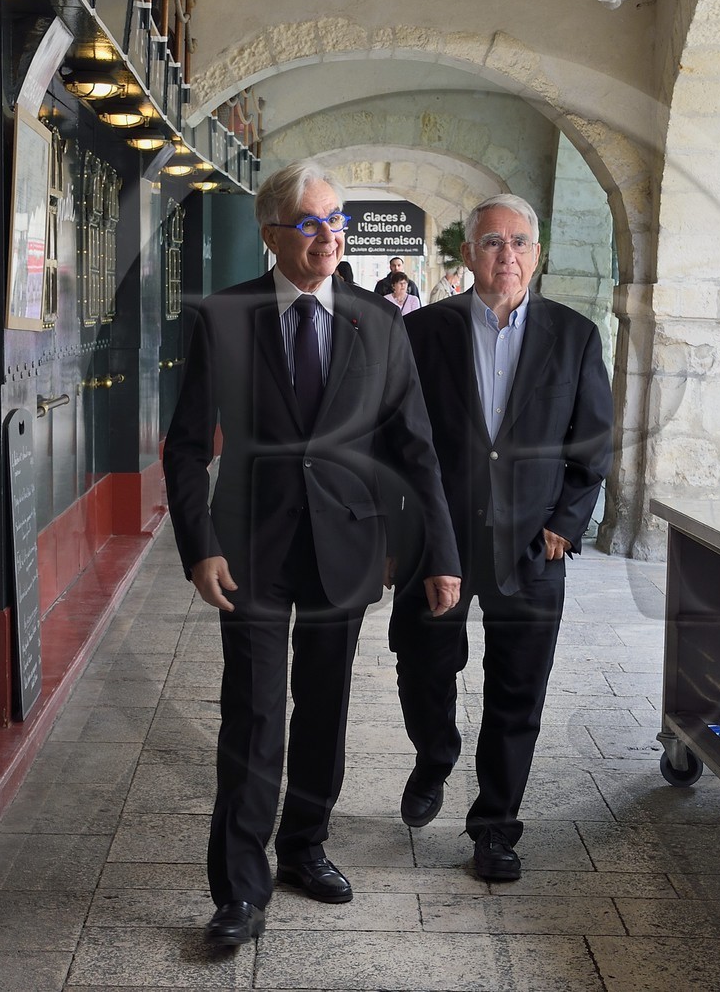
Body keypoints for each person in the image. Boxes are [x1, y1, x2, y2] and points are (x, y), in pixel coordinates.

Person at [163, 160, 462, 947]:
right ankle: (239, 890)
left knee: (324, 707)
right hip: (248, 549)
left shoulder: (379, 322)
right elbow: (187, 445)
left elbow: (415, 448)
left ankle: (303, 847)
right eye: (310, 223)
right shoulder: (224, 317)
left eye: (337, 221)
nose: (329, 236)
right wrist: (198, 546)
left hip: (348, 546)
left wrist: (439, 553)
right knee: (253, 713)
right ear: (271, 234)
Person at [387, 193, 613, 881]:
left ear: (536, 255)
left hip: (532, 544)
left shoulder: (575, 336)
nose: (506, 254)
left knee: (518, 690)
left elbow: (593, 445)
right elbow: (394, 440)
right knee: (422, 662)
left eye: (518, 242)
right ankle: (435, 753)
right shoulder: (422, 331)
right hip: (441, 538)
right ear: (468, 255)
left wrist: (565, 525)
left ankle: (495, 827)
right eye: (492, 242)